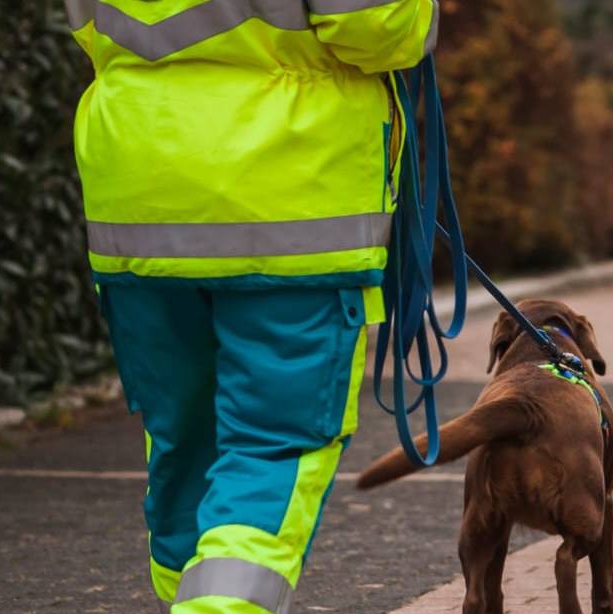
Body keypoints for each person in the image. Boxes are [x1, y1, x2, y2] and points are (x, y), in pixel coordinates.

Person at [62, 1, 437, 612]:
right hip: (291, 203)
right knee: (275, 439)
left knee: (182, 432)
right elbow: (379, 29)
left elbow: (86, 24)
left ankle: (186, 597)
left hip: (137, 192)